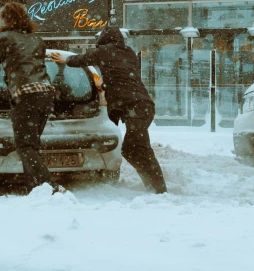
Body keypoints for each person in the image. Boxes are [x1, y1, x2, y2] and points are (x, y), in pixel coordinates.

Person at [51, 27, 167, 194]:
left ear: (103, 40)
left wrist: (66, 59)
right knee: (138, 148)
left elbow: (82, 60)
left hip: (134, 106)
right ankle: (155, 186)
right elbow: (120, 77)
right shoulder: (129, 52)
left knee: (134, 149)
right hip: (142, 105)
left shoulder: (105, 51)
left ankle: (159, 189)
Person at [0, 2, 56, 193]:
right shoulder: (36, 39)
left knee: (24, 147)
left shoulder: (4, 39)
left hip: (26, 95)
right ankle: (35, 190)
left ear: (8, 19)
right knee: (32, 145)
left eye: (0, 17)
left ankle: (49, 187)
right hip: (46, 94)